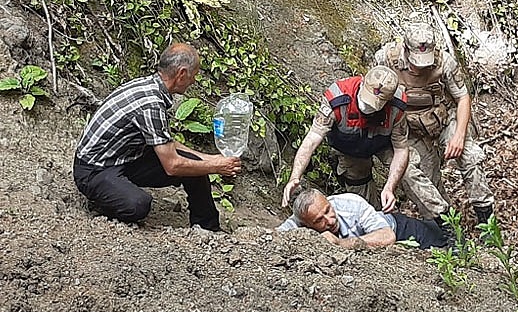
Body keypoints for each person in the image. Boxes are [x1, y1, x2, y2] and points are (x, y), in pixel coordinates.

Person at [73, 43, 241, 232]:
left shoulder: (151, 87)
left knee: (195, 166)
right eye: (194, 75)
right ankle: (104, 200)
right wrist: (216, 166)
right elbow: (172, 165)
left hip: (125, 157)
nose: (194, 81)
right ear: (182, 74)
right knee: (138, 205)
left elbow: (165, 143)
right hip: (94, 170)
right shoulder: (150, 104)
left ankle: (208, 228)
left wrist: (209, 159)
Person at [375, 23, 495, 223]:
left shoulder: (444, 62)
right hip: (411, 129)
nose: (421, 68)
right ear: (406, 50)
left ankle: (486, 219)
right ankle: (449, 225)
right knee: (426, 182)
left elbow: (463, 98)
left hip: (444, 119)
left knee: (470, 157)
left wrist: (459, 136)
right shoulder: (386, 59)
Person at [281, 65, 410, 213]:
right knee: (360, 194)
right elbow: (311, 140)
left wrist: (389, 187)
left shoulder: (397, 105)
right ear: (361, 83)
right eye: (366, 100)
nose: (367, 107)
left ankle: (438, 218)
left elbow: (401, 149)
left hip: (384, 143)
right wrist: (295, 176)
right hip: (350, 149)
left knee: (410, 170)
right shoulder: (337, 99)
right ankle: (378, 217)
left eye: (374, 105)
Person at [276, 189, 449, 250]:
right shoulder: (298, 222)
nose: (329, 220)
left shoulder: (351, 203)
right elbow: (270, 237)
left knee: (441, 241)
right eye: (319, 221)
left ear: (328, 201)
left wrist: (340, 243)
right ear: (306, 224)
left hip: (399, 228)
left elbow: (387, 236)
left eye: (328, 210)